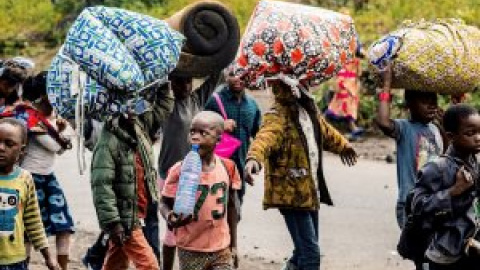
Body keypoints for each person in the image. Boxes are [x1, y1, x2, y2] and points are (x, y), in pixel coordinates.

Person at [244, 80, 358, 270]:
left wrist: (344, 146)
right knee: (311, 255)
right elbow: (265, 137)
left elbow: (325, 132)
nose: (305, 85)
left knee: (302, 251)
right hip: (290, 195)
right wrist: (254, 159)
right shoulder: (278, 114)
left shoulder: (308, 110)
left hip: (308, 193)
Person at [90, 82, 173, 270]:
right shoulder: (107, 143)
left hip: (138, 209)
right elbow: (101, 186)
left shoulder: (138, 126)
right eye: (128, 107)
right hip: (125, 219)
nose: (134, 110)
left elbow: (162, 110)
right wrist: (113, 224)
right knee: (150, 265)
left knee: (115, 263)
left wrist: (164, 87)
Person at [159, 111, 240, 270]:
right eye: (192, 132)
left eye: (203, 133)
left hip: (221, 247)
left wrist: (234, 245)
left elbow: (232, 207)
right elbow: (164, 203)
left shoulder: (228, 167)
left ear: (219, 138)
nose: (195, 137)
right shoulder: (179, 169)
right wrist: (170, 217)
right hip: (191, 248)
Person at [158, 72, 222, 270]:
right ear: (171, 83)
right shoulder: (165, 103)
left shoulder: (197, 99)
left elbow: (214, 75)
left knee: (195, 224)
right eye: (179, 81)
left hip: (195, 175)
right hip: (170, 173)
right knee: (172, 229)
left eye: (188, 81)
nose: (185, 86)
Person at [410, 104, 480, 269]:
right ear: (451, 136)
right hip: (444, 253)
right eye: (470, 133)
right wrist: (453, 191)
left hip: (471, 247)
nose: (478, 137)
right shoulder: (437, 168)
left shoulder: (474, 162)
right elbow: (418, 207)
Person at [375, 65, 444, 228]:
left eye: (434, 102)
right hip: (411, 202)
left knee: (431, 251)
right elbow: (383, 122)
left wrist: (444, 127)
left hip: (434, 201)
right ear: (409, 105)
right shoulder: (405, 128)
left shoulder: (435, 129)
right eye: (425, 102)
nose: (431, 106)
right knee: (416, 250)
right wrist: (387, 84)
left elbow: (446, 156)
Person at [20, 72, 74, 270]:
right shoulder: (30, 118)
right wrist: (62, 133)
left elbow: (60, 148)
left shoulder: (44, 120)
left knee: (64, 227)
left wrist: (60, 135)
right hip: (30, 179)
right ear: (44, 96)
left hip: (48, 178)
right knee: (28, 232)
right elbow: (56, 146)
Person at [0, 118, 59, 270]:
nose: (1, 148)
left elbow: (33, 221)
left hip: (15, 260)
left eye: (9, 144)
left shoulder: (25, 179)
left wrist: (49, 257)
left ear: (22, 150)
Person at [204, 71, 261, 204]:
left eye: (242, 75)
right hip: (215, 169)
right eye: (233, 74)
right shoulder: (214, 100)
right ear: (226, 77)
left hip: (240, 170)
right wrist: (220, 126)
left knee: (236, 209)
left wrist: (254, 162)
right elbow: (197, 130)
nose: (237, 78)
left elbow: (259, 137)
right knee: (215, 210)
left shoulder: (252, 105)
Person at [325, 47, 365, 141]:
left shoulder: (354, 61)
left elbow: (359, 74)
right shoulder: (344, 60)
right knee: (342, 107)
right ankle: (353, 128)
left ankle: (352, 128)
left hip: (350, 87)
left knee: (343, 107)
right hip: (345, 86)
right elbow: (355, 74)